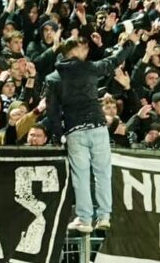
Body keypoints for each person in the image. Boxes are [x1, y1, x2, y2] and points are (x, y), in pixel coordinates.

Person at [44, 36, 121, 232]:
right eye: (83, 48)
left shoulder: (53, 78)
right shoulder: (88, 68)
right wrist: (129, 44)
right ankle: (104, 215)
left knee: (81, 176)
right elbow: (113, 61)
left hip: (74, 130)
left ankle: (85, 218)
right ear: (72, 51)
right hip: (97, 125)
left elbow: (52, 112)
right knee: (103, 173)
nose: (86, 52)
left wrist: (58, 135)